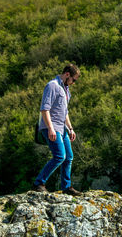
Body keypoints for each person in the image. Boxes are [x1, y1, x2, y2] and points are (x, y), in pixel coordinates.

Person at [32, 64, 82, 196]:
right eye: (73, 80)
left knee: (69, 157)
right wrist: (50, 129)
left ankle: (67, 187)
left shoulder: (66, 90)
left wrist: (70, 129)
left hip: (62, 128)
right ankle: (39, 183)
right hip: (52, 127)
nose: (73, 83)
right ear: (67, 75)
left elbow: (64, 112)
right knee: (60, 156)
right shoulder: (52, 85)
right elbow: (44, 109)